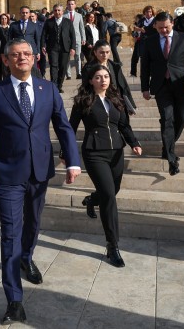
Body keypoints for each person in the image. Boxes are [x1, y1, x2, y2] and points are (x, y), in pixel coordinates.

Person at [0, 38, 81, 324]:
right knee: (10, 234)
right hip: (8, 173)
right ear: (6, 60)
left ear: (34, 58)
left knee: (33, 223)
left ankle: (27, 257)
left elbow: (63, 126)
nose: (21, 58)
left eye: (26, 54)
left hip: (40, 170)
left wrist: (72, 160)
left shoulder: (48, 89)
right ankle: (14, 301)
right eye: (15, 55)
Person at [69, 64, 141, 267]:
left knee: (112, 190)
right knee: (109, 195)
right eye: (98, 77)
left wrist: (134, 142)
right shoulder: (83, 101)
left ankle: (92, 199)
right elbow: (70, 127)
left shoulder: (116, 99)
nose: (103, 80)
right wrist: (66, 152)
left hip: (117, 151)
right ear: (91, 80)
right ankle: (113, 245)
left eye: (106, 76)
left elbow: (124, 125)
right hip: (94, 153)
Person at [140, 11, 184, 176]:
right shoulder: (149, 41)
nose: (163, 31)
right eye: (160, 29)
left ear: (172, 23)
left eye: (166, 27)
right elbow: (145, 67)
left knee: (182, 119)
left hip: (181, 85)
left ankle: (167, 146)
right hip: (161, 86)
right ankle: (172, 159)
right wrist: (145, 88)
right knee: (167, 119)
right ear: (155, 27)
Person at [83, 40, 137, 114]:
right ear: (95, 52)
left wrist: (131, 105)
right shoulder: (88, 68)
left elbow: (123, 86)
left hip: (116, 101)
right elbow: (85, 87)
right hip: (98, 101)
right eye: (101, 52)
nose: (105, 55)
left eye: (107, 52)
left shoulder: (115, 67)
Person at [41, 3, 76, 93]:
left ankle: (59, 85)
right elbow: (44, 35)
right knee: (53, 66)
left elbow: (73, 36)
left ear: (62, 11)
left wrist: (73, 48)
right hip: (52, 48)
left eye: (59, 10)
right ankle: (54, 86)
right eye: (55, 10)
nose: (57, 12)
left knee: (63, 67)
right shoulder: (49, 22)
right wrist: (43, 45)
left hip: (65, 48)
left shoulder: (68, 22)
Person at [65, 0, 85, 80]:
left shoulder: (79, 15)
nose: (70, 5)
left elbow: (82, 28)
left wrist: (83, 38)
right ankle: (68, 75)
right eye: (69, 4)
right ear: (67, 5)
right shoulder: (63, 16)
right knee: (67, 57)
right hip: (66, 39)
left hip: (77, 38)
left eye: (72, 4)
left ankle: (79, 73)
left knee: (78, 56)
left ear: (75, 5)